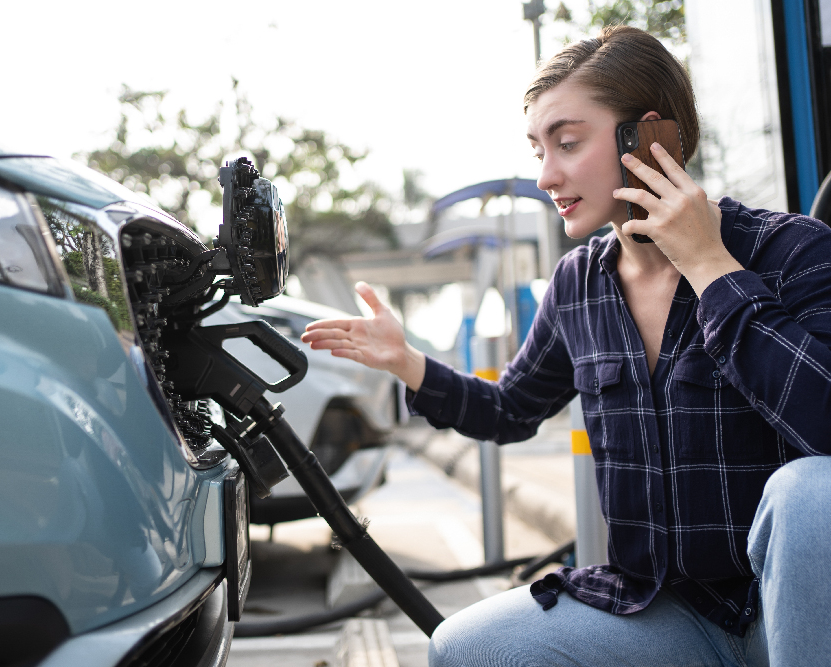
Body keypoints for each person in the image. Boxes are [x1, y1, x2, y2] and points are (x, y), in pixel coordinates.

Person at [301, 25, 831, 666]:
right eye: (537, 149)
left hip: (790, 614)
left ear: (648, 136)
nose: (547, 174)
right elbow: (509, 410)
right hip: (669, 614)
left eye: (569, 142)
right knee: (464, 650)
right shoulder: (578, 284)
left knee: (811, 493)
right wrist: (408, 364)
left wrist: (712, 269)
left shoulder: (792, 251)